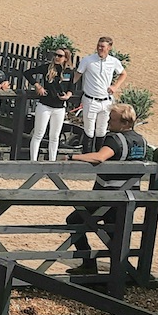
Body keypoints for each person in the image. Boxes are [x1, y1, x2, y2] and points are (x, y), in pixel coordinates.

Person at [65, 103, 148, 275]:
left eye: (113, 119)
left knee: (75, 220)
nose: (110, 122)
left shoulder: (115, 139)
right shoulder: (141, 140)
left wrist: (73, 156)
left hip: (108, 195)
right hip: (131, 195)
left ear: (124, 123)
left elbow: (100, 157)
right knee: (116, 234)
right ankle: (120, 271)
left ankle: (89, 263)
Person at [72, 36, 128, 154]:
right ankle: (86, 156)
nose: (100, 48)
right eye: (98, 46)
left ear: (109, 48)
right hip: (91, 100)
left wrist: (115, 86)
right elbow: (78, 75)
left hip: (106, 101)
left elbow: (123, 74)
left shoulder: (113, 62)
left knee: (102, 130)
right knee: (89, 130)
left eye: (102, 47)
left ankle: (99, 156)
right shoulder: (88, 60)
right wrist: (68, 88)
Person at [24, 48, 76, 161]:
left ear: (66, 58)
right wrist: (38, 85)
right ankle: (33, 160)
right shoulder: (47, 68)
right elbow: (27, 73)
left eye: (60, 56)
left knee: (55, 136)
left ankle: (52, 161)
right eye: (55, 55)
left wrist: (67, 95)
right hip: (45, 105)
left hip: (59, 107)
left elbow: (71, 87)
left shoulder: (69, 72)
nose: (56, 57)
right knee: (38, 134)